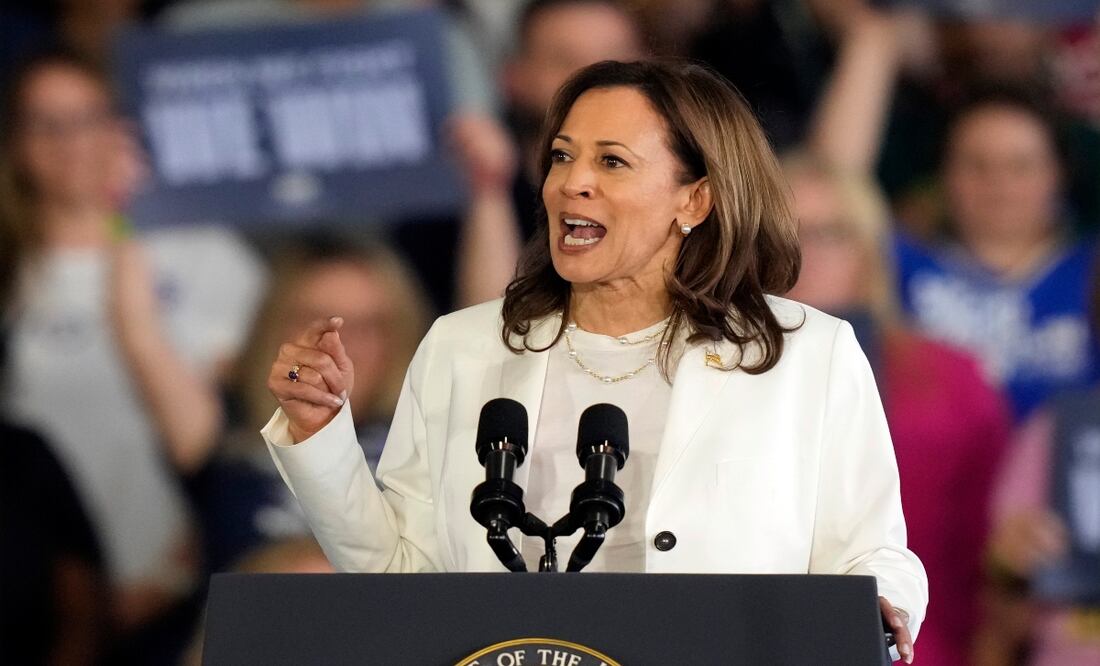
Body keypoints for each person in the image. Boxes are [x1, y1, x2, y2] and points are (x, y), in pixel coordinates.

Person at [261, 59, 928, 662]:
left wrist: (875, 618)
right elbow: (404, 580)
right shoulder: (463, 349)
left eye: (611, 162)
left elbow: (872, 555)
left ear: (693, 200)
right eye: (560, 157)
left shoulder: (803, 354)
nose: (571, 183)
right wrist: (323, 438)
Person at [0, 50, 266, 640]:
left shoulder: (200, 246)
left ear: (123, 124)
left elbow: (251, 419)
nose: (71, 141)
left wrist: (191, 555)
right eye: (46, 123)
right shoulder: (11, 272)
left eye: (89, 116)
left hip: (184, 573)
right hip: (40, 596)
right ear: (16, 142)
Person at [784, 154, 1012, 665]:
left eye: (831, 234)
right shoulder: (708, 373)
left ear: (870, 251)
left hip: (926, 646)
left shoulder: (952, 379)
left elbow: (988, 556)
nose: (805, 254)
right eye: (786, 232)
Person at [193, 233, 431, 573]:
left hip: (388, 620)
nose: (345, 345)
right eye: (318, 321)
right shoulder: (221, 419)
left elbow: (496, 331)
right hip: (251, 621)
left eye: (370, 325)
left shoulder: (425, 437)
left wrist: (488, 199)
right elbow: (143, 338)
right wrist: (297, 390)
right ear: (274, 325)